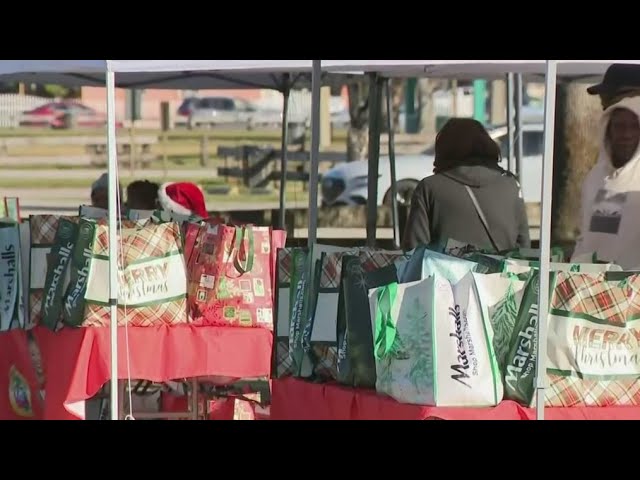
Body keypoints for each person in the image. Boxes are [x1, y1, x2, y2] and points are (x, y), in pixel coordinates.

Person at [402, 118, 530, 252]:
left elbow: (414, 250)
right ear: (486, 144)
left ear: (443, 148)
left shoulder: (429, 188)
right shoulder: (511, 184)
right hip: (501, 272)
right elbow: (523, 245)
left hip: (444, 272)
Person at [571, 94, 640, 269]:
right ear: (608, 130)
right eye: (619, 126)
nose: (626, 134)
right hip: (597, 284)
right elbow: (597, 236)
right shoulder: (596, 177)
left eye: (634, 127)